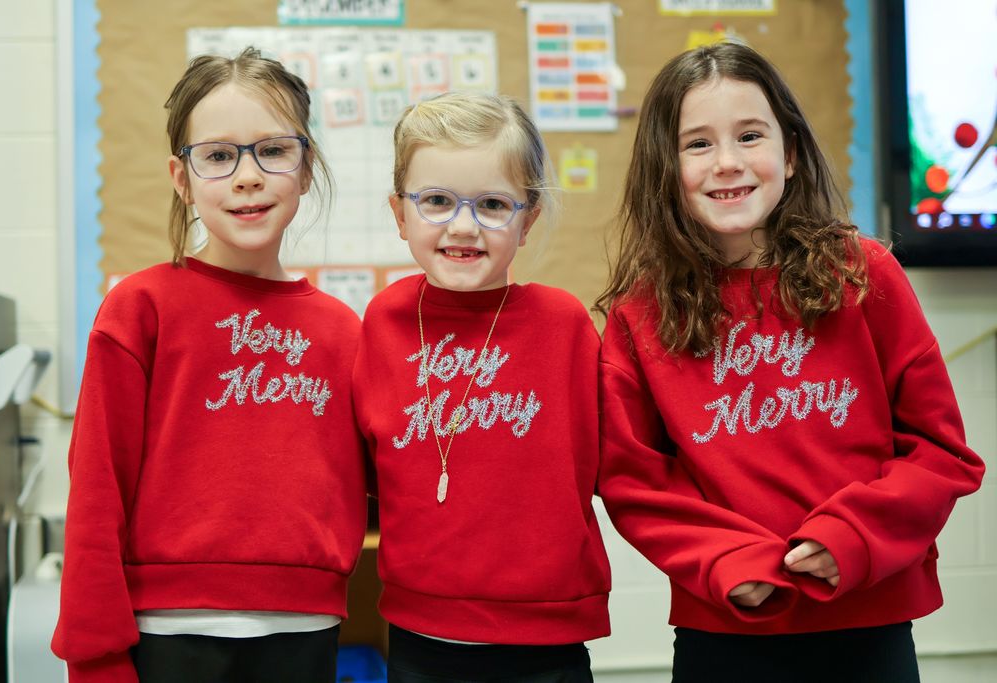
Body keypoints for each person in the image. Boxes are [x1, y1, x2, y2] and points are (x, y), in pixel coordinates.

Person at [595, 41, 985, 683]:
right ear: (665, 168)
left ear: (792, 153)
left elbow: (942, 451)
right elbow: (634, 482)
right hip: (723, 628)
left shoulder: (863, 274)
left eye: (750, 135)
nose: (726, 163)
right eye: (697, 144)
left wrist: (853, 539)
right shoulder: (641, 313)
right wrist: (724, 560)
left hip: (868, 621)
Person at [51, 47, 367, 683]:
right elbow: (94, 489)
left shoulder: (344, 331)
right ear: (181, 177)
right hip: (165, 633)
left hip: (305, 629)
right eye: (219, 156)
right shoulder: (139, 308)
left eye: (273, 150)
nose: (247, 176)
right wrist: (95, 656)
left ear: (306, 169)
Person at [352, 92, 611, 682]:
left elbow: (611, 462)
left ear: (528, 219)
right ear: (399, 214)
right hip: (420, 639)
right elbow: (368, 468)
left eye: (494, 204)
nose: (463, 226)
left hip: (547, 642)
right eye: (436, 201)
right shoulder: (383, 321)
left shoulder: (563, 324)